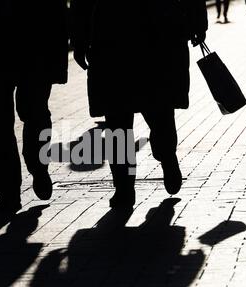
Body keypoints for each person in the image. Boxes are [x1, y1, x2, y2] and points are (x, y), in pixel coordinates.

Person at [71, 0, 208, 209]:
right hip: (159, 34)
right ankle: (166, 154)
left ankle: (124, 188)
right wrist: (197, 21)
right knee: (160, 110)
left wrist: (80, 37)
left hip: (112, 36)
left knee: (118, 119)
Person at [0, 1, 69, 215]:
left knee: (23, 117)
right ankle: (11, 190)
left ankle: (31, 173)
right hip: (6, 50)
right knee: (6, 121)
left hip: (27, 49)